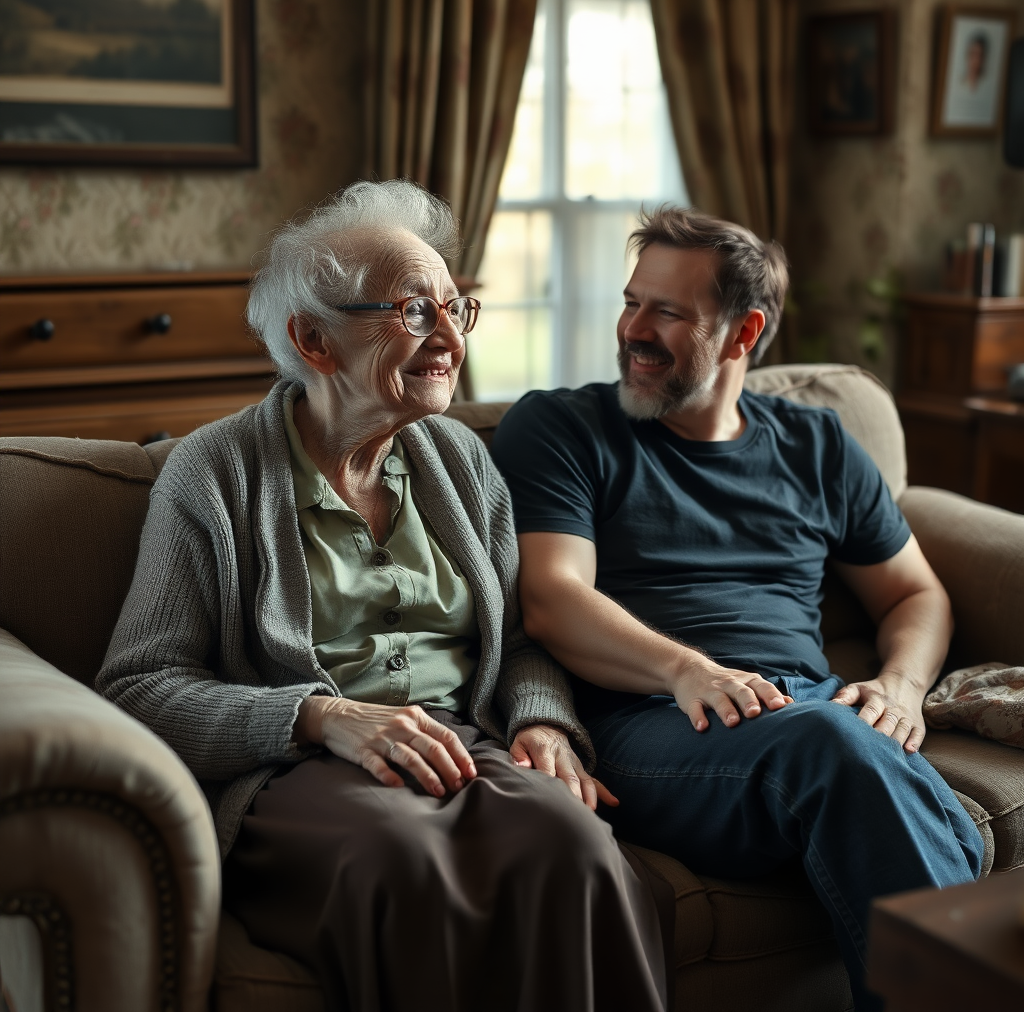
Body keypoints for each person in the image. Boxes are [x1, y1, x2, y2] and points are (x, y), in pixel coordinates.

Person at [97, 180, 669, 1012]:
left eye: (455, 309)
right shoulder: (212, 476)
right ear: (313, 341)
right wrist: (320, 717)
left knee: (577, 845)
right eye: (412, 313)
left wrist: (543, 718)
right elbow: (138, 687)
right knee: (405, 863)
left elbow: (523, 641)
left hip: (462, 744)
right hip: (301, 772)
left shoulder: (462, 461)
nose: (448, 338)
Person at [489, 206, 984, 1012]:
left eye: (668, 312)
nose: (633, 330)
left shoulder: (819, 445)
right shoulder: (563, 428)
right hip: (650, 722)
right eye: (631, 300)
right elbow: (551, 598)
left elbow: (914, 592)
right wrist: (685, 668)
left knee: (866, 761)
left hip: (799, 711)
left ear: (743, 331)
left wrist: (900, 685)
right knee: (858, 763)